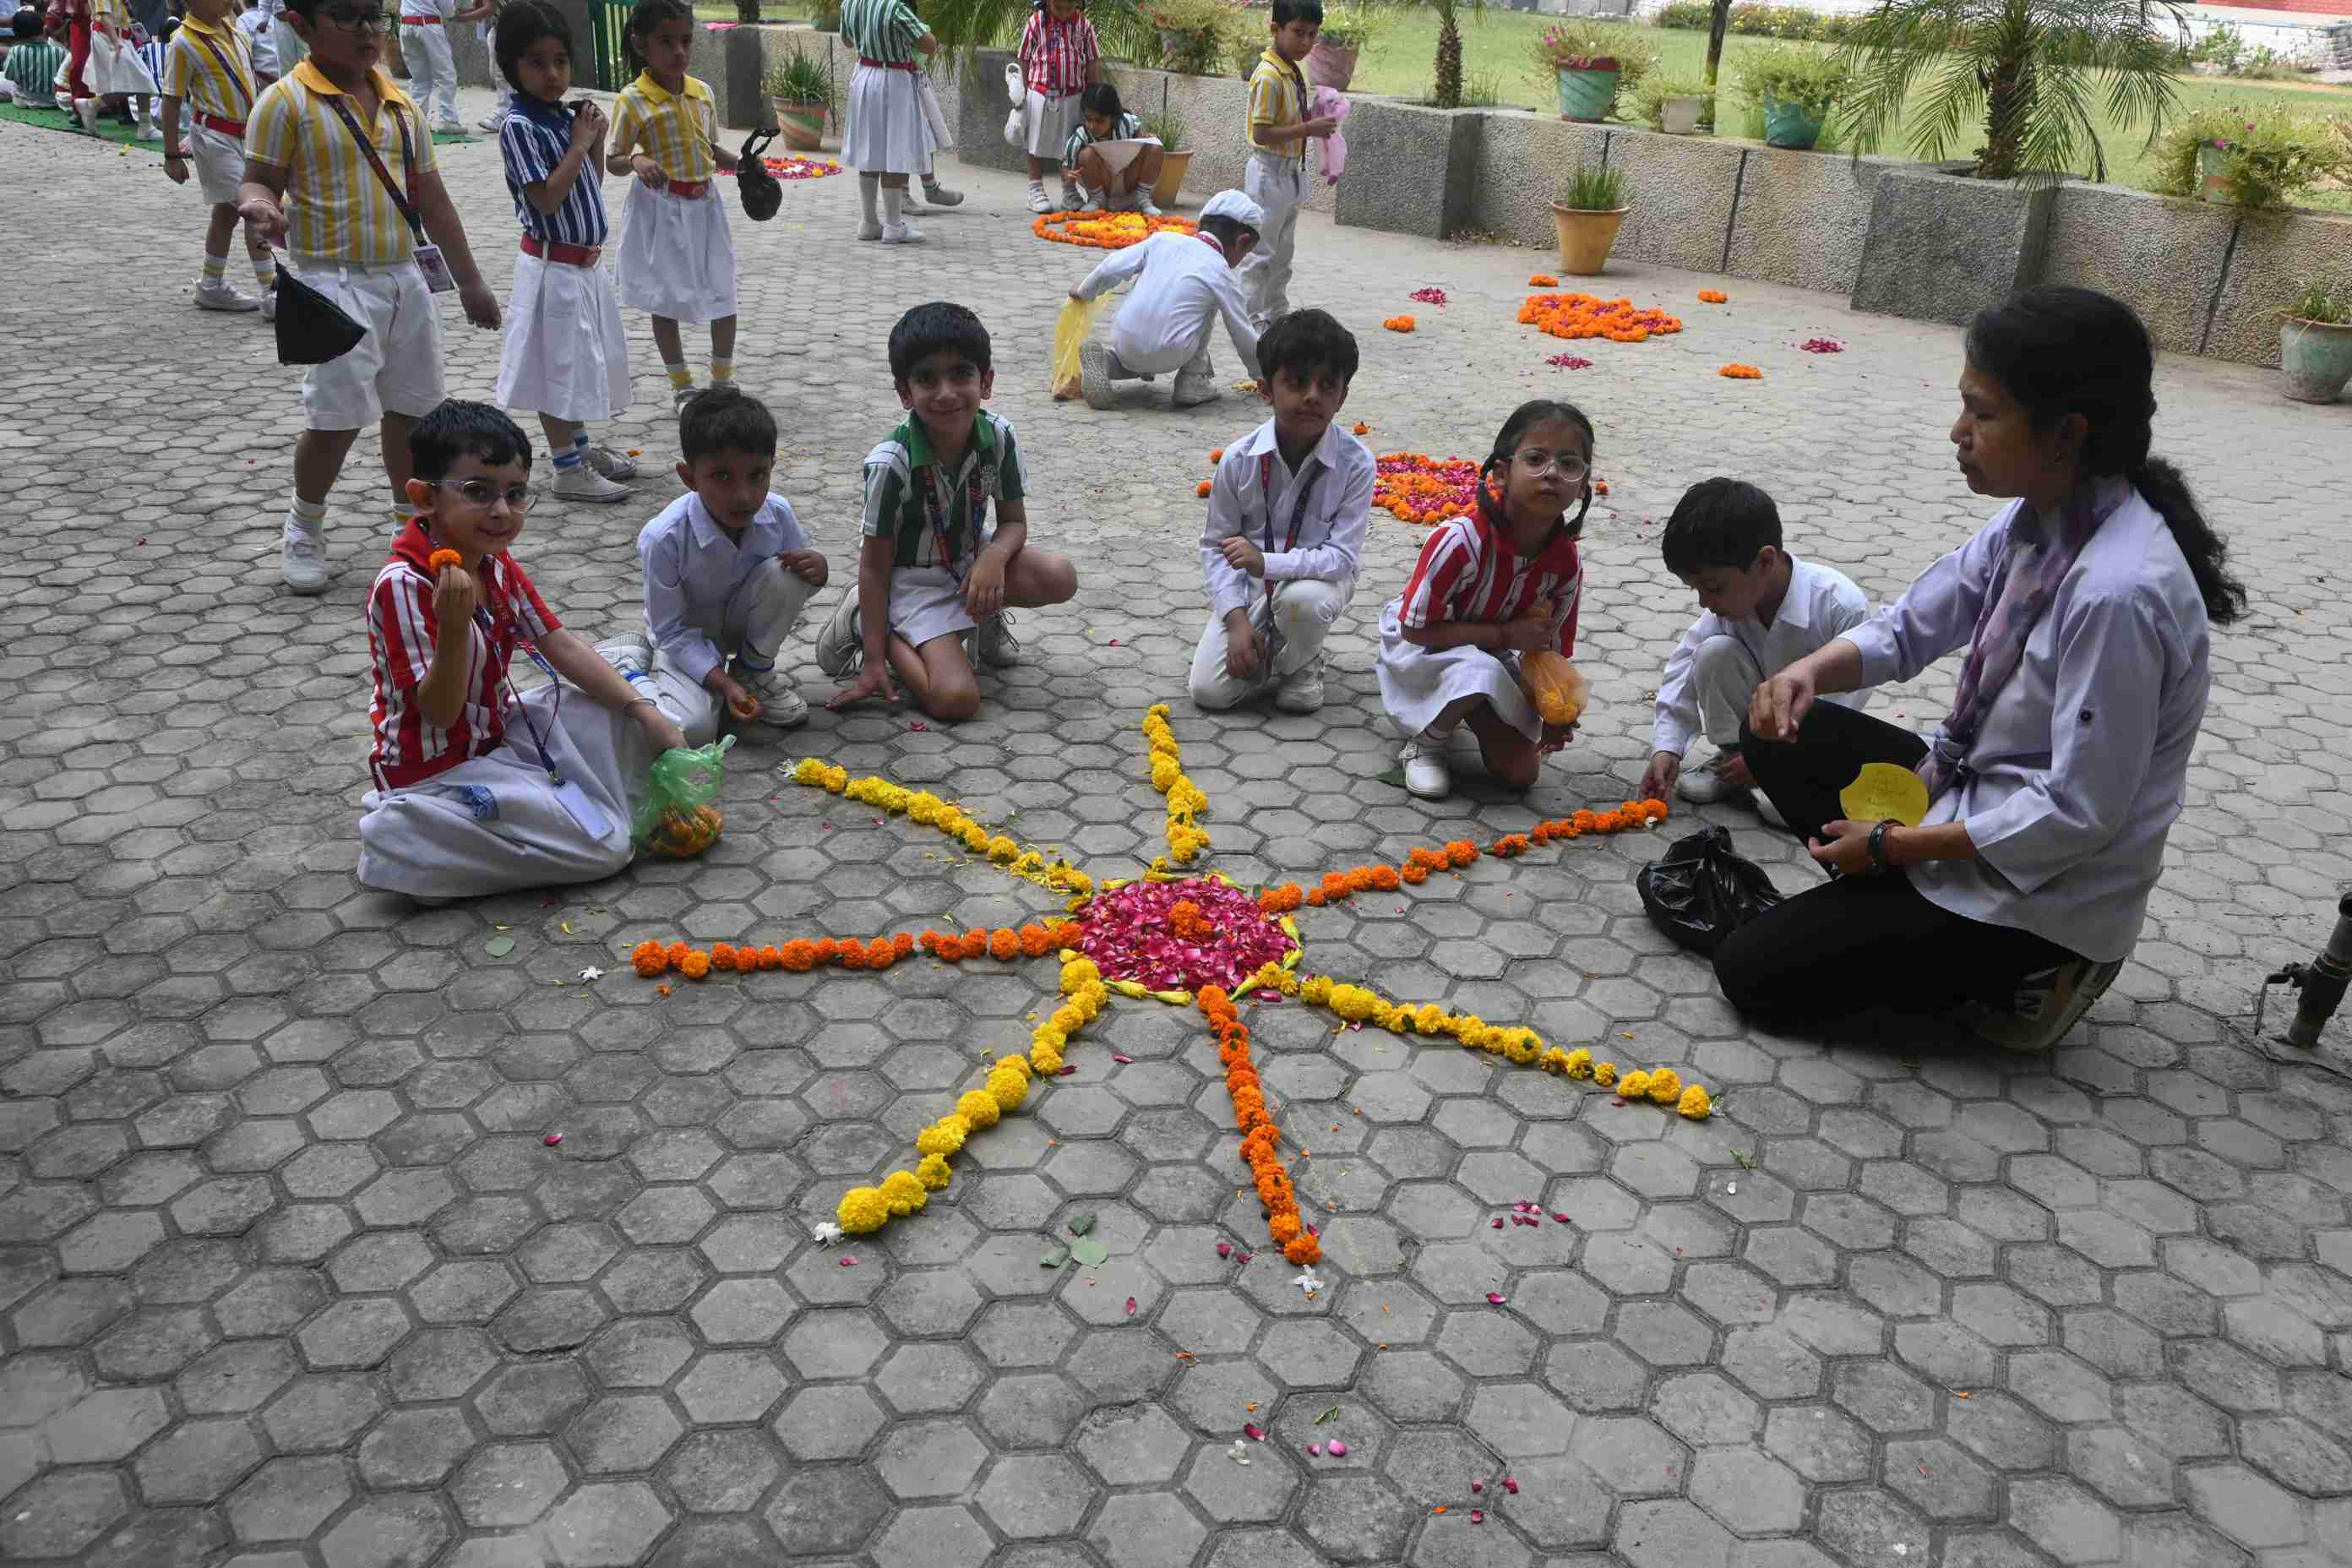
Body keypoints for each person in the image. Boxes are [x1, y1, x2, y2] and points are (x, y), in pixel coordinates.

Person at [1714, 286, 2246, 1052]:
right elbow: (1913, 623)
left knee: (1750, 972)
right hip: (1967, 791)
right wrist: (1805, 673)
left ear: (2066, 433)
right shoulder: (2044, 513)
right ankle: (1891, 919)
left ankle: (2021, 984)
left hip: (2044, 894)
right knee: (1775, 733)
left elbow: (2078, 814)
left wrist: (1890, 846)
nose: (1957, 433)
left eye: (1983, 413)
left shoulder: (2116, 593)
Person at [357, 401, 687, 903]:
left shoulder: (494, 562)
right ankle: (409, 838)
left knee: (627, 717)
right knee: (609, 851)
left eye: (515, 494)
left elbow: (559, 643)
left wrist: (645, 713)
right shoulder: (404, 584)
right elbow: (441, 713)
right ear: (425, 497)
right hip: (436, 770)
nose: (501, 512)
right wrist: (452, 628)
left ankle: (533, 809)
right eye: (477, 493)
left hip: (497, 732)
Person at [235, 0, 502, 594]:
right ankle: (304, 523)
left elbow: (432, 199)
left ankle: (411, 528)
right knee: (334, 418)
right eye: (345, 16)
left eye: (372, 16)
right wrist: (259, 205)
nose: (365, 30)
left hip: (404, 276)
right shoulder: (285, 101)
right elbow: (258, 178)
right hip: (331, 282)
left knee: (414, 414)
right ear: (301, 24)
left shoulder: (403, 104)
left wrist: (471, 281)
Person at [817, 302, 1078, 721]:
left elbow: (1013, 522)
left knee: (1060, 576)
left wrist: (992, 558)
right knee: (956, 702)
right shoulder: (890, 464)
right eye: (926, 379)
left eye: (961, 374)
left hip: (968, 559)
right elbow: (875, 567)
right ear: (905, 393)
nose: (945, 393)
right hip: (909, 581)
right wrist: (872, 662)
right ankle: (868, 624)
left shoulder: (998, 435)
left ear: (986, 382)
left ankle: (981, 617)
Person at [1380, 398, 1589, 799]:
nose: (1551, 474)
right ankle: (1425, 745)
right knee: (1478, 671)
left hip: (1492, 655)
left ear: (1582, 485)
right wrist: (1506, 635)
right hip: (1420, 649)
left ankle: (1467, 704)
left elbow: (1554, 650)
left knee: (1520, 773)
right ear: (1500, 472)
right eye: (1535, 459)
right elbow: (1414, 629)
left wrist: (1556, 705)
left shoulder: (1565, 563)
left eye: (1569, 464)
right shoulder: (1459, 541)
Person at [1637, 477, 1874, 825]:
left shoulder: (1839, 605)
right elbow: (1683, 669)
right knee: (1712, 652)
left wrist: (1774, 758)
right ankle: (1734, 763)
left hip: (1812, 743)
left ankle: (1760, 777)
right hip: (1756, 731)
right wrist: (1667, 748)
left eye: (1713, 587)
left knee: (1778, 813)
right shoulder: (1730, 607)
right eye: (1696, 590)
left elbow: (1844, 707)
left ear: (1765, 562)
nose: (1705, 602)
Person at [609, 385, 827, 743]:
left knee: (786, 572)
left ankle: (753, 672)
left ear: (771, 468)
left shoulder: (778, 513)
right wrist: (721, 683)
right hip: (686, 640)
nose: (743, 496)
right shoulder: (663, 537)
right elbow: (670, 630)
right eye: (722, 477)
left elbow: (798, 582)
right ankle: (625, 664)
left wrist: (819, 569)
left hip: (743, 631)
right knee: (693, 729)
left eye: (757, 476)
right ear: (688, 477)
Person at [1190, 308, 1369, 716]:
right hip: (1252, 589)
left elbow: (1341, 558)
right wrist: (1237, 624)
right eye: (1296, 382)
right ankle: (1269, 644)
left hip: (1317, 585)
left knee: (1302, 603)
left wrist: (1264, 561)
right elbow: (1215, 548)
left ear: (1341, 397)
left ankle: (1302, 662)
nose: (1312, 396)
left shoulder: (1356, 464)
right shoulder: (1239, 459)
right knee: (1208, 693)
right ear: (1266, 390)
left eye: (1327, 386)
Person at [492, 0, 636, 502]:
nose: (552, 74)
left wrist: (592, 141)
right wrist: (578, 144)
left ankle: (579, 447)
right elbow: (548, 198)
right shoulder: (521, 126)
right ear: (511, 67)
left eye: (560, 60)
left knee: (575, 363)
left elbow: (587, 185)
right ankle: (566, 467)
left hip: (584, 267)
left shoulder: (560, 117)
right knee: (555, 369)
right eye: (536, 62)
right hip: (552, 266)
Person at [607, 0, 738, 416]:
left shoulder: (702, 92)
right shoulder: (632, 100)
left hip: (706, 207)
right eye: (667, 42)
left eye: (685, 41)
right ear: (641, 46)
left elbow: (710, 147)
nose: (679, 52)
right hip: (663, 211)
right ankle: (682, 385)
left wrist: (745, 164)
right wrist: (636, 160)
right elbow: (613, 158)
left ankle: (721, 381)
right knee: (665, 300)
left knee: (724, 291)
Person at [1070, 188, 1260, 411]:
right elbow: (1241, 330)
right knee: (1206, 307)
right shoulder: (1220, 271)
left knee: (1147, 289)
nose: (1240, 260)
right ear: (1242, 242)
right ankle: (1193, 380)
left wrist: (1085, 291)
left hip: (1125, 340)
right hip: (1172, 352)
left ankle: (1105, 362)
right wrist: (1263, 375)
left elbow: (1110, 267)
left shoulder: (1161, 240)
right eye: (1245, 254)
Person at [162, 0, 274, 313]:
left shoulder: (237, 32)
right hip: (215, 140)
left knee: (226, 212)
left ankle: (210, 285)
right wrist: (172, 154)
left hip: (245, 136)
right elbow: (170, 100)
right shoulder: (183, 42)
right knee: (254, 210)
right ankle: (272, 291)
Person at [1239, 0, 1333, 329]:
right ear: (1275, 29)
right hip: (1268, 173)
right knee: (1260, 253)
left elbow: (1291, 120)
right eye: (1298, 33)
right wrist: (1308, 128)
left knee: (1283, 254)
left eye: (1312, 35)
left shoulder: (1291, 70)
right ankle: (1250, 318)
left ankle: (1277, 312)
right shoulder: (1268, 76)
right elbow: (1262, 133)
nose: (1306, 42)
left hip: (1291, 171)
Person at [839, 0, 937, 245]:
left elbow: (847, 40)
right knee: (896, 151)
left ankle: (869, 222)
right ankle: (894, 225)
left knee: (869, 150)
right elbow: (929, 45)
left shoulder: (850, 3)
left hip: (863, 76)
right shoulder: (895, 7)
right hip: (893, 79)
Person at [1015, 0, 1095, 214]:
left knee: (1069, 146)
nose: (1064, 13)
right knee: (1035, 143)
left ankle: (1069, 191)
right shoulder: (1035, 23)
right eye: (1058, 8)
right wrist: (1023, 91)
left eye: (1069, 8)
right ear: (1047, 3)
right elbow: (1024, 58)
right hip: (1039, 94)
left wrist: (1093, 95)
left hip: (1073, 96)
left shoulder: (1084, 26)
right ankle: (1035, 189)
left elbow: (1092, 61)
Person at [1062, 79, 1159, 215]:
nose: (1092, 126)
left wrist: (1148, 139)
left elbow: (1142, 144)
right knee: (1086, 154)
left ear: (1114, 117)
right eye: (1088, 119)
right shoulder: (1080, 137)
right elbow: (1066, 167)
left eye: (1100, 121)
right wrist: (1069, 177)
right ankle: (1097, 201)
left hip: (1128, 180)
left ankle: (1141, 200)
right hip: (1102, 184)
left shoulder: (1129, 123)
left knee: (1155, 146)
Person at [395, 0, 460, 136]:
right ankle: (448, 120)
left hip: (406, 25)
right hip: (428, 25)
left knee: (419, 78)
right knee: (446, 75)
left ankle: (419, 122)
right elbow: (448, 11)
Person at [2, 9, 66, 108]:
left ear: (15, 32)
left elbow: (9, 76)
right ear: (42, 28)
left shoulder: (15, 51)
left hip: (25, 101)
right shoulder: (60, 51)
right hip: (55, 101)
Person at [132, 13, 168, 137]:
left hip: (152, 108)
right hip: (176, 111)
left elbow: (135, 70)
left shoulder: (146, 47)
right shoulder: (179, 47)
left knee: (140, 80)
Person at [234, 0, 276, 84]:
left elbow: (244, 53)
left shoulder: (243, 20)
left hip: (265, 78)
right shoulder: (273, 16)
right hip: (285, 73)